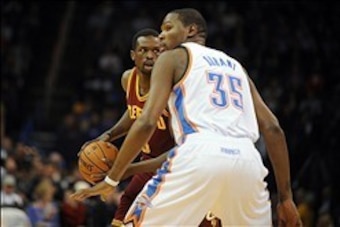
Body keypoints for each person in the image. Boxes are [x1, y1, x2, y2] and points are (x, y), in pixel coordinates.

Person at [71, 8, 301, 226]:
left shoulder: (172, 58)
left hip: (199, 153)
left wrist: (112, 179)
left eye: (168, 28)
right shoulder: (236, 67)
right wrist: (286, 198)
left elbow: (146, 121)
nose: (161, 35)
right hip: (248, 162)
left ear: (190, 30)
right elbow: (273, 129)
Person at [79, 28, 219, 226]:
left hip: (178, 163)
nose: (150, 56)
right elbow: (134, 112)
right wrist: (108, 135)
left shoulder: (174, 88)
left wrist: (127, 169)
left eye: (156, 51)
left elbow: (179, 146)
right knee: (126, 206)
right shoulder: (128, 79)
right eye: (144, 50)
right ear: (133, 55)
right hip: (149, 161)